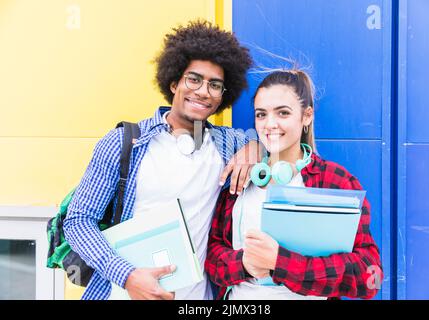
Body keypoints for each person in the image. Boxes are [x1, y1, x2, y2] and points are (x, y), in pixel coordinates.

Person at [63, 20, 260, 300]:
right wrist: (127, 276)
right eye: (194, 79)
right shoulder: (124, 143)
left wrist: (255, 148)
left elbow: (280, 141)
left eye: (215, 85)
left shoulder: (227, 144)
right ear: (173, 82)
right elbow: (79, 221)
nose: (204, 91)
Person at [205, 69, 383, 300]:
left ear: (307, 116)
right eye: (261, 114)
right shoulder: (242, 177)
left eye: (283, 113)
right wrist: (244, 264)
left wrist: (280, 263)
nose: (269, 124)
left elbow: (370, 277)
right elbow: (212, 258)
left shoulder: (335, 181)